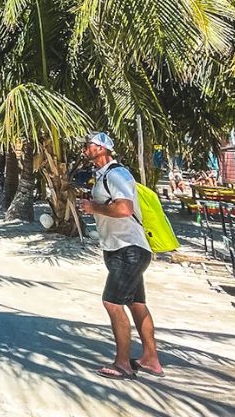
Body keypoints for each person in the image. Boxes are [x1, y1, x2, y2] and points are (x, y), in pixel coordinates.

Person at [77, 131, 163, 381]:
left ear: (102, 149)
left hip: (129, 249)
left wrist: (94, 207)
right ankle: (151, 360)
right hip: (119, 248)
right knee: (136, 304)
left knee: (112, 302)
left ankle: (123, 364)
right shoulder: (103, 175)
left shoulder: (117, 174)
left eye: (90, 145)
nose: (86, 148)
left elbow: (124, 209)